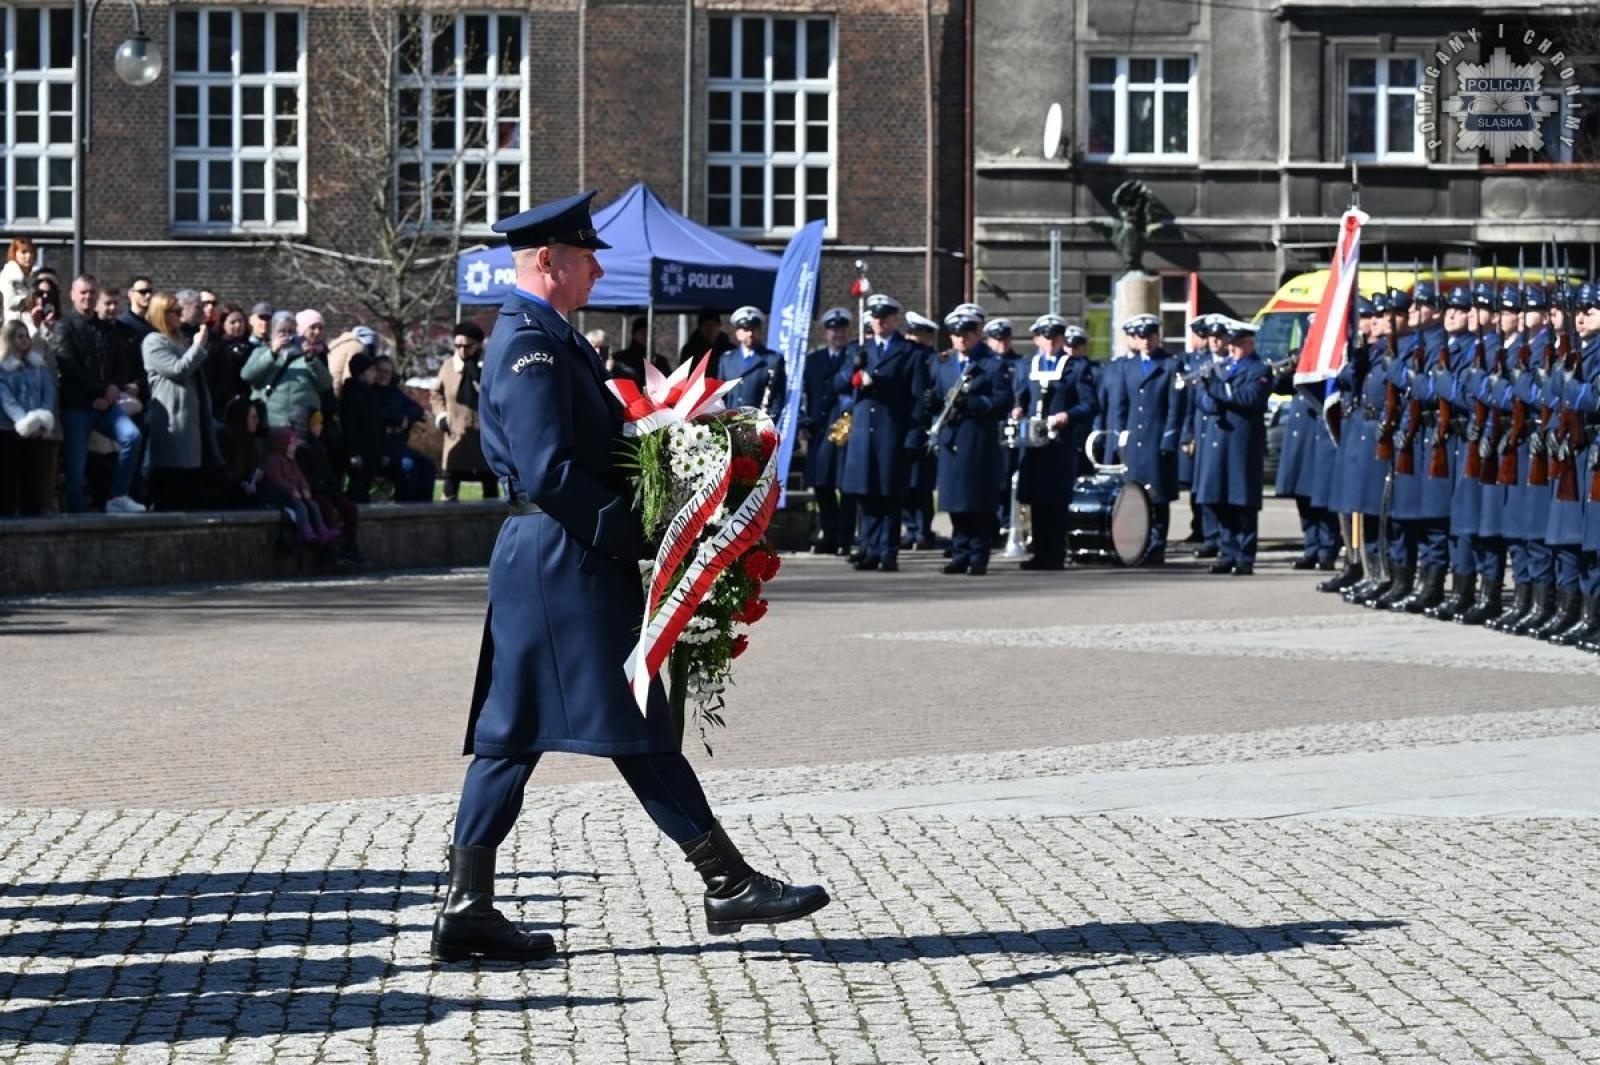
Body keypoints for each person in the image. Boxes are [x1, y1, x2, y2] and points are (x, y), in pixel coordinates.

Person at [437, 190, 829, 964]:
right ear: (547, 260)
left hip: (556, 555)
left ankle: (469, 905)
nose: (595, 269)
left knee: (519, 734)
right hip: (565, 555)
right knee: (623, 718)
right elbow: (551, 470)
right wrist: (637, 536)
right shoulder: (530, 345)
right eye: (585, 257)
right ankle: (726, 881)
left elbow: (602, 446)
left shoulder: (549, 336)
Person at [836, 293, 929, 572]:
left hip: (892, 432)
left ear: (893, 319)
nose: (879, 322)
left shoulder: (909, 352)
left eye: (884, 317)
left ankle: (887, 551)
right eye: (875, 317)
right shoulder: (859, 350)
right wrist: (853, 369)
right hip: (864, 433)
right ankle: (868, 548)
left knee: (889, 496)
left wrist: (914, 436)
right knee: (867, 496)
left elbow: (917, 399)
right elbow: (838, 385)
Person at [931, 307, 1012, 575]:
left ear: (977, 333)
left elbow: (1003, 401)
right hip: (951, 439)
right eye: (955, 334)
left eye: (966, 333)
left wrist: (974, 403)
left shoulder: (992, 364)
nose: (961, 339)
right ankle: (960, 552)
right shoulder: (944, 364)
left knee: (977, 502)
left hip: (977, 441)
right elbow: (938, 397)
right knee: (956, 502)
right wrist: (931, 404)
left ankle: (978, 555)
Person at [1015, 316, 1098, 571]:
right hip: (1033, 442)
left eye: (1055, 338)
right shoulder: (1027, 365)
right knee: (1036, 499)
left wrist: (1068, 415)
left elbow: (1090, 404)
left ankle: (1055, 553)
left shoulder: (1076, 367)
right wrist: (1017, 409)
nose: (1050, 343)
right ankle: (1039, 552)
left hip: (1060, 443)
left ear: (1062, 339)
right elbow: (1021, 397)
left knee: (1056, 499)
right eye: (1045, 337)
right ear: (1037, 339)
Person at [56, 274, 144, 513]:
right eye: (83, 292)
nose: (87, 297)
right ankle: (78, 517)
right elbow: (69, 367)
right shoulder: (64, 326)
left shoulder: (107, 329)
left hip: (106, 402)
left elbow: (121, 365)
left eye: (92, 292)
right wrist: (100, 391)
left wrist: (113, 388)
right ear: (73, 295)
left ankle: (118, 496)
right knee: (76, 469)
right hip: (77, 406)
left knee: (132, 436)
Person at [1191, 319, 1272, 575]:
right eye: (1231, 344)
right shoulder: (1223, 366)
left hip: (1241, 443)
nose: (1232, 349)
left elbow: (1248, 398)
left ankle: (1245, 556)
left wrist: (1216, 389)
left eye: (1238, 344)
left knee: (1242, 501)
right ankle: (1227, 553)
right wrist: (1209, 394)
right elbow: (1205, 401)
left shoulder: (1259, 369)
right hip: (1220, 442)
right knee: (1221, 498)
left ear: (1249, 344)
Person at [142, 292, 224, 511]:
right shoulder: (154, 341)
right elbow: (178, 370)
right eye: (176, 312)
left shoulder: (180, 340)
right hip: (172, 420)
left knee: (191, 483)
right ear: (162, 314)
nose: (180, 316)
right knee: (171, 482)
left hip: (193, 421)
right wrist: (198, 347)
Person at [1117, 313, 1182, 563]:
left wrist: (1169, 439)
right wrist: (1121, 435)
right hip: (1135, 440)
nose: (1146, 342)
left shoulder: (1170, 365)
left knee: (1158, 497)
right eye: (1141, 337)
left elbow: (1175, 407)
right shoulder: (1128, 367)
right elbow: (1123, 405)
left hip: (1156, 439)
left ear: (1157, 337)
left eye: (1150, 336)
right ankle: (1136, 545)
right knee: (1134, 497)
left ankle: (1157, 545)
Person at [799, 307, 857, 555]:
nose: (838, 334)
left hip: (848, 431)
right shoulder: (813, 361)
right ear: (826, 333)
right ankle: (829, 533)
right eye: (834, 330)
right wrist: (803, 422)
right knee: (822, 484)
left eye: (842, 330)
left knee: (847, 486)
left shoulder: (855, 358)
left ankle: (845, 537)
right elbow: (803, 395)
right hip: (821, 431)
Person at [432, 322, 498, 501]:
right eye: (457, 346)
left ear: (478, 345)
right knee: (450, 487)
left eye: (467, 346)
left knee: (490, 488)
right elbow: (436, 394)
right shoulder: (448, 367)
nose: (462, 350)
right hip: (456, 435)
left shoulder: (489, 367)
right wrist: (441, 416)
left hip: (484, 438)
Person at [0, 318, 56, 516]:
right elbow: (6, 399)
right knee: (8, 476)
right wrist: (24, 422)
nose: (25, 340)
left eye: (26, 336)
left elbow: (48, 392)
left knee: (32, 475)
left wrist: (43, 418)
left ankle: (31, 513)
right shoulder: (2, 368)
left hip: (36, 431)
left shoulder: (38, 366)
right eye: (20, 336)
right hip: (7, 429)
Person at [240, 310, 333, 429]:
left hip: (302, 426)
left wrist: (311, 359)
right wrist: (272, 354)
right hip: (270, 424)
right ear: (272, 333)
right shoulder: (261, 352)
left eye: (291, 331)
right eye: (281, 332)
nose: (287, 336)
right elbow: (247, 375)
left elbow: (326, 384)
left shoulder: (308, 356)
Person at [901, 311, 940, 550]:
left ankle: (923, 529)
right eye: (912, 333)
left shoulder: (934, 360)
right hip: (906, 427)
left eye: (919, 335)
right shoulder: (905, 358)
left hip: (927, 429)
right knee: (906, 484)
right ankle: (911, 529)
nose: (914, 338)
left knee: (923, 485)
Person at [373, 355, 436, 501]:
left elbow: (417, 410)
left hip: (398, 446)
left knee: (428, 466)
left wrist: (406, 420)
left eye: (387, 372)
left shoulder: (395, 393)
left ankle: (423, 511)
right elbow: (378, 415)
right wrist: (397, 421)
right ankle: (403, 510)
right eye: (380, 371)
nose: (383, 376)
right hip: (379, 449)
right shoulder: (370, 393)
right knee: (408, 465)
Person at [261, 426, 338, 545]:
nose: (294, 447)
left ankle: (322, 531)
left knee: (313, 505)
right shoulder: (274, 460)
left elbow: (300, 478)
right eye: (291, 444)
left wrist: (305, 488)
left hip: (294, 493)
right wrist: (291, 489)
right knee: (300, 506)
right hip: (280, 495)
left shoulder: (291, 461)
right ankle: (306, 531)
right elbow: (275, 479)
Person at [715, 306, 785, 415]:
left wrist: (767, 423)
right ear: (738, 333)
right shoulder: (727, 360)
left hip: (758, 425)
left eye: (754, 329)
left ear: (760, 331)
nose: (750, 334)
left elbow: (777, 397)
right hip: (731, 424)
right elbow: (720, 396)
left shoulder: (773, 360)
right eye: (746, 329)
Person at [339, 352, 388, 503]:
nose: (375, 374)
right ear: (362, 372)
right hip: (361, 450)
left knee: (365, 486)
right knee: (357, 487)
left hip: (372, 450)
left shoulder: (370, 393)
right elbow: (350, 425)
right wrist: (354, 452)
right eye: (372, 370)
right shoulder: (352, 394)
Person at [204, 304, 257, 414]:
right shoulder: (216, 348)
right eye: (232, 322)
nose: (238, 325)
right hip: (224, 402)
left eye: (240, 321)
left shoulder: (252, 348)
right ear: (223, 324)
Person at [610, 316, 671, 383]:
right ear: (634, 334)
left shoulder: (659, 360)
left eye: (650, 333)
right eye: (643, 332)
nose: (647, 336)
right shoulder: (621, 358)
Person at [1, 238, 35, 323]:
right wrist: (27, 300)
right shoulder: (9, 274)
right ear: (14, 254)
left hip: (32, 323)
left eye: (31, 252)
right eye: (23, 252)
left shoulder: (35, 275)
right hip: (13, 324)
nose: (28, 256)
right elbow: (8, 302)